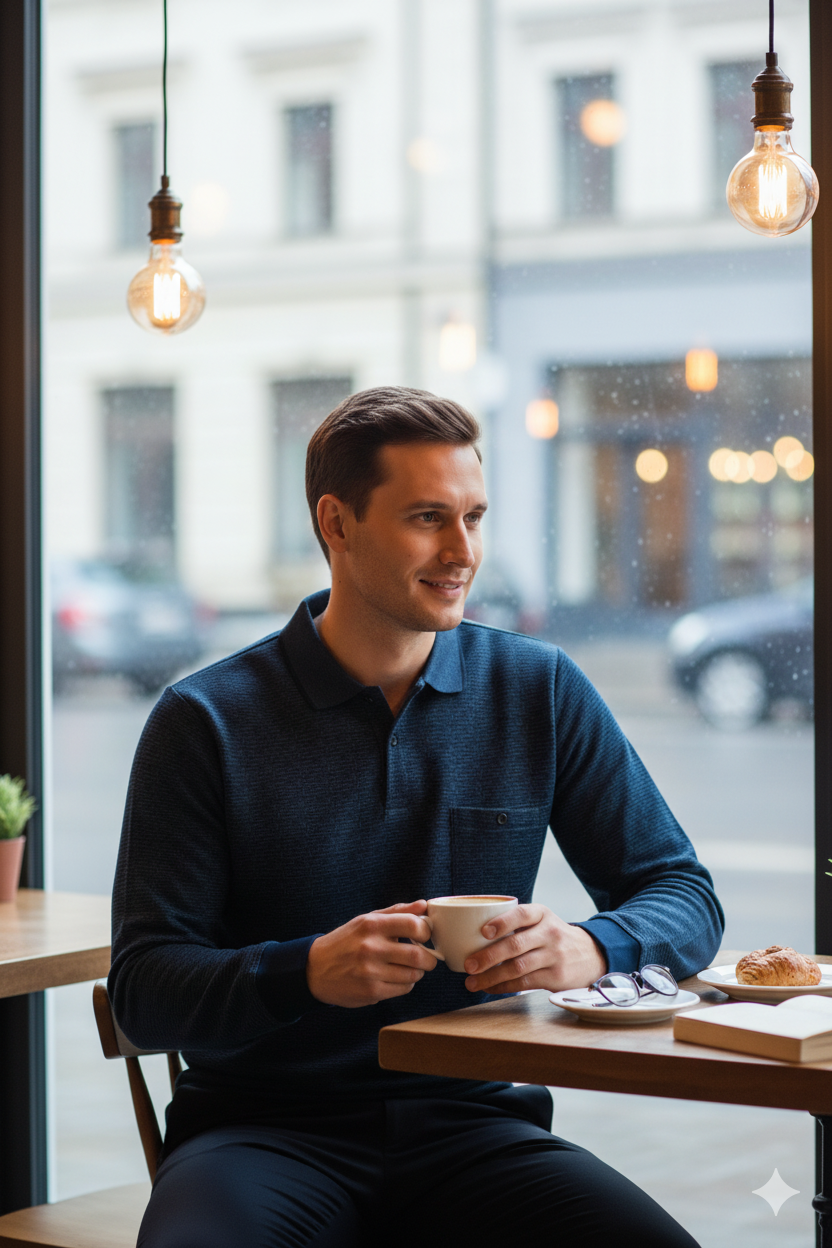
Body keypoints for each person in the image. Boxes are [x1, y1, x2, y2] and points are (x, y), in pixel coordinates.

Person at [110, 386, 723, 1248]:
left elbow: (682, 895)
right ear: (337, 523)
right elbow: (144, 993)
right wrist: (307, 971)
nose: (462, 551)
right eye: (428, 517)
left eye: (474, 516)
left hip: (476, 1130)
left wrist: (589, 949)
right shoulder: (204, 720)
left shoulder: (539, 690)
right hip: (261, 1138)